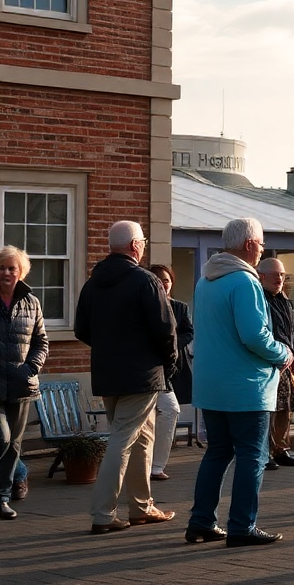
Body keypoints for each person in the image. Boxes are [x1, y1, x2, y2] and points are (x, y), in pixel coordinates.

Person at [187, 218, 292, 547]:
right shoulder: (245, 282)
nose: (262, 250)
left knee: (217, 452)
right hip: (247, 386)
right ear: (248, 244)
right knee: (252, 455)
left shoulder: (206, 280)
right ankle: (242, 526)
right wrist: (283, 354)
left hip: (210, 383)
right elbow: (253, 335)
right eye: (261, 244)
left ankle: (201, 521)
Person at [74, 221, 177, 534]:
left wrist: (109, 350)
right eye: (142, 241)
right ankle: (103, 515)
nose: (144, 245)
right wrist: (168, 362)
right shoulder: (145, 281)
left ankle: (141, 507)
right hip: (142, 375)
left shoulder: (93, 284)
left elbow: (82, 330)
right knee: (122, 439)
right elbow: (165, 329)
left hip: (108, 373)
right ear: (135, 246)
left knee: (142, 438)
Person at [1, 245, 47, 521]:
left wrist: (31, 367)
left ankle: (3, 498)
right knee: (2, 437)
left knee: (15, 445)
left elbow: (41, 342)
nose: (6, 272)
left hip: (21, 385)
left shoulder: (32, 302)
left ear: (20, 272)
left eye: (11, 268)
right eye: (1, 268)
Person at [257, 258, 294, 471]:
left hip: (287, 366)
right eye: (276, 274)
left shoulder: (286, 301)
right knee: (268, 409)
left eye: (283, 275)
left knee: (285, 408)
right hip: (267, 364)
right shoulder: (259, 299)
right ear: (262, 276)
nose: (280, 279)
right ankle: (264, 452)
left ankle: (281, 449)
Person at [147, 264, 193, 481]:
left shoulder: (179, 307)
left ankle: (157, 466)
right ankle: (145, 465)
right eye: (158, 280)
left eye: (166, 280)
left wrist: (174, 345)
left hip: (170, 370)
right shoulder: (143, 306)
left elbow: (188, 331)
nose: (163, 284)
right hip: (147, 369)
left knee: (170, 410)